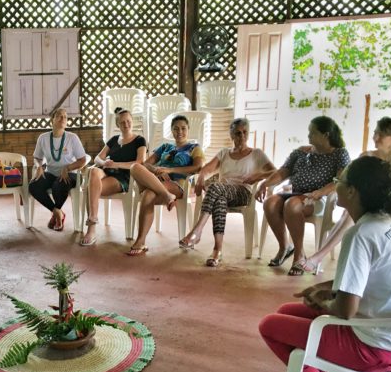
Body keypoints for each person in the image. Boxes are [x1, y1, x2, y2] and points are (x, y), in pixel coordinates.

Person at [259, 156, 391, 372]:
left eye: (340, 181)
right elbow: (371, 277)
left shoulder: (361, 234)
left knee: (270, 326)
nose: (335, 185)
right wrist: (323, 290)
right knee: (287, 309)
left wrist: (322, 302)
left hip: (371, 347)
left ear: (353, 191)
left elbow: (344, 310)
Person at [294, 117, 391, 273]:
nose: (375, 138)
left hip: (389, 209)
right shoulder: (367, 156)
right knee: (350, 212)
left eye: (381, 135)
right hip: (364, 206)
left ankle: (318, 256)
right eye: (375, 133)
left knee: (351, 213)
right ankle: (318, 257)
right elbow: (345, 179)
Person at [255, 116, 351, 276]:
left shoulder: (339, 154)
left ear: (326, 135)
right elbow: (283, 171)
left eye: (312, 133)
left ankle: (299, 255)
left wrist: (320, 192)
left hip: (319, 199)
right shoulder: (301, 151)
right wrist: (265, 183)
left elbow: (339, 180)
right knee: (270, 203)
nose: (308, 136)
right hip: (295, 193)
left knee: (292, 205)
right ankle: (285, 246)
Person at [179, 118, 275, 266]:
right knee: (220, 201)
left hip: (243, 192)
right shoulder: (224, 153)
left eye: (245, 132)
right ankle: (217, 250)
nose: (242, 136)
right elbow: (207, 169)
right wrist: (200, 178)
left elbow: (275, 172)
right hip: (222, 192)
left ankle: (197, 230)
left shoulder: (256, 153)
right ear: (231, 135)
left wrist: (259, 176)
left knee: (215, 187)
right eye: (237, 133)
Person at [126, 114, 204, 256]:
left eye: (183, 128)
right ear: (171, 131)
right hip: (156, 180)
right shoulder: (165, 147)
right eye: (176, 129)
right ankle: (166, 196)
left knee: (148, 194)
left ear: (188, 129)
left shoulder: (194, 148)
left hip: (176, 184)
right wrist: (156, 170)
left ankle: (140, 241)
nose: (179, 131)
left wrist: (170, 169)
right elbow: (146, 164)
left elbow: (197, 168)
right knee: (134, 167)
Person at [80, 107, 147, 246]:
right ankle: (93, 220)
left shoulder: (140, 140)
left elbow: (140, 162)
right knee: (93, 171)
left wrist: (116, 164)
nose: (126, 124)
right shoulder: (114, 140)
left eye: (128, 121)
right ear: (118, 125)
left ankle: (91, 228)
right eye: (122, 122)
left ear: (132, 122)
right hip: (106, 171)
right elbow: (98, 157)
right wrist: (104, 162)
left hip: (123, 177)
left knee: (91, 187)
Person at [30, 107, 88, 232]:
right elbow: (37, 157)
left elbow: (82, 160)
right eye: (59, 116)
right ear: (52, 119)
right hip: (50, 173)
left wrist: (67, 168)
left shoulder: (72, 138)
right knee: (33, 186)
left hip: (70, 174)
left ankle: (56, 216)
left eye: (65, 117)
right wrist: (39, 166)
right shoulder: (43, 138)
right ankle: (57, 212)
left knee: (59, 185)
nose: (63, 119)